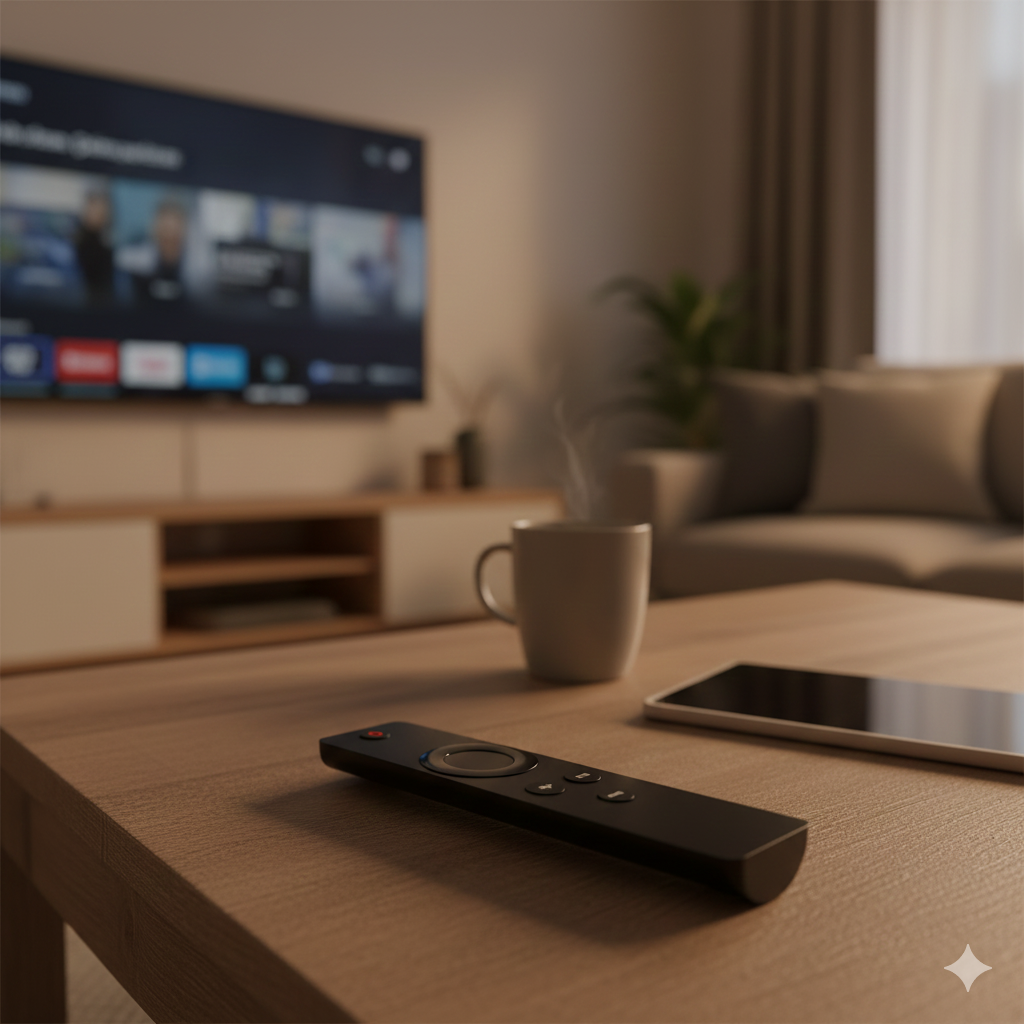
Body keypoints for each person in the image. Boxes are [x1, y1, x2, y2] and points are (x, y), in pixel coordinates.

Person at [74, 190, 114, 303]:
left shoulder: (105, 244)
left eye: (104, 210)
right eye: (96, 208)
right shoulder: (78, 242)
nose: (101, 213)